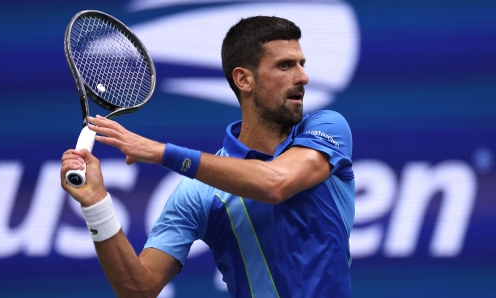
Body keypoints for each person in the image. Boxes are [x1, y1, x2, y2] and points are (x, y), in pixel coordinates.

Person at [61, 16, 354, 298]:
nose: (303, 77)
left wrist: (162, 153)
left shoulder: (328, 129)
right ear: (244, 79)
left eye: (302, 64)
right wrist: (96, 203)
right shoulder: (197, 192)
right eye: (285, 66)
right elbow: (139, 289)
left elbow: (275, 183)